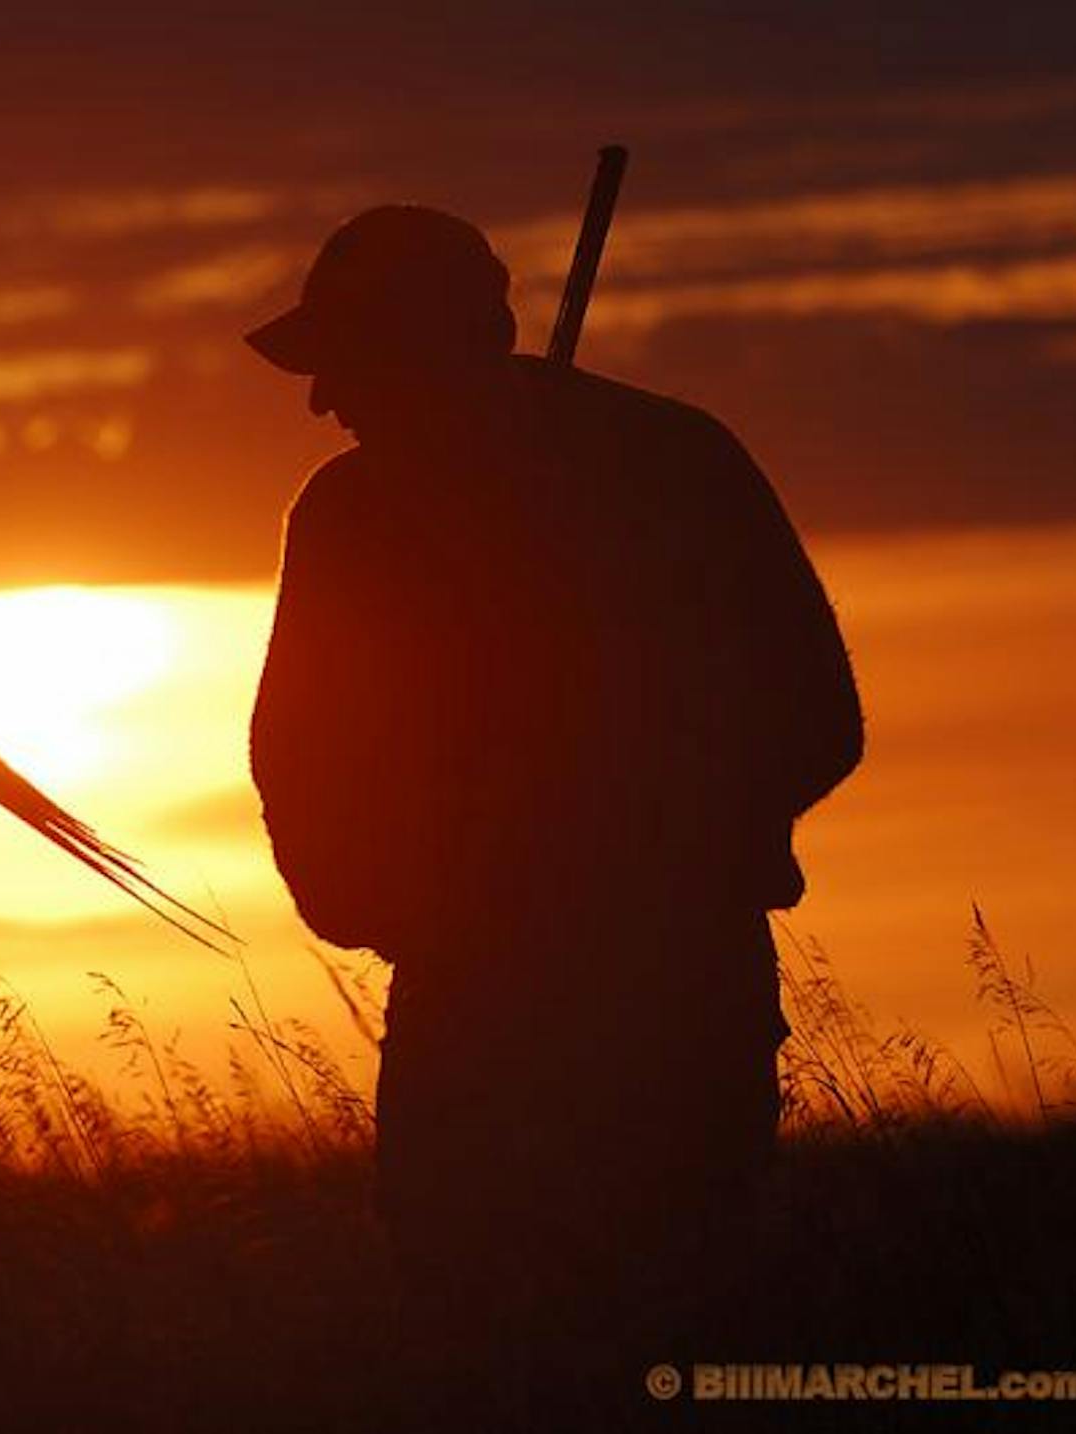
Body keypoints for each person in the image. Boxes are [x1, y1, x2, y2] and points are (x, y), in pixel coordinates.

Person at [246, 208, 862, 1416]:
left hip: (646, 1002)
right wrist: (397, 906)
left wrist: (629, 846)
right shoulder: (361, 512)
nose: (322, 400)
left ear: (438, 342)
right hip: (518, 997)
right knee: (502, 1332)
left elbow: (811, 716)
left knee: (621, 1328)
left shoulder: (669, 469)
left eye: (348, 358)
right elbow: (302, 758)